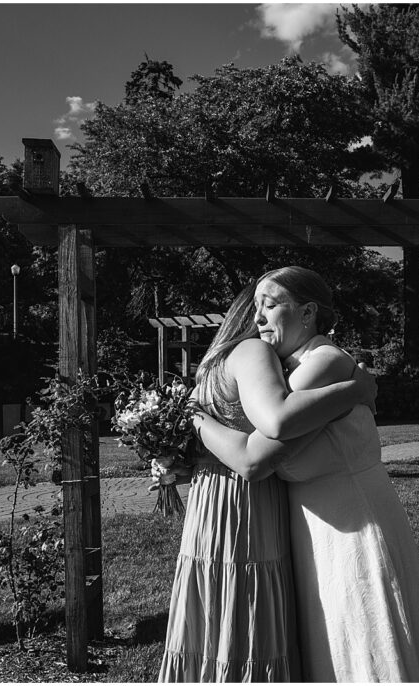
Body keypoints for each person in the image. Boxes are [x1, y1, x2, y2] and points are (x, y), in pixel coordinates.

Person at [193, 266, 419, 682]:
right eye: (256, 306)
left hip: (352, 522)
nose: (256, 319)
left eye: (270, 306)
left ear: (308, 312)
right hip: (316, 521)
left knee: (363, 640)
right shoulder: (296, 364)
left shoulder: (326, 361)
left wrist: (195, 421)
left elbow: (256, 454)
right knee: (332, 643)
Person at [158, 282, 377, 682]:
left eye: (271, 307)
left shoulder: (211, 363)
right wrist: (356, 389)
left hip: (208, 498)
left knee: (211, 609)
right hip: (246, 503)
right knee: (245, 610)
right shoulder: (254, 351)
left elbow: (206, 440)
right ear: (249, 314)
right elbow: (258, 452)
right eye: (262, 308)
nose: (264, 320)